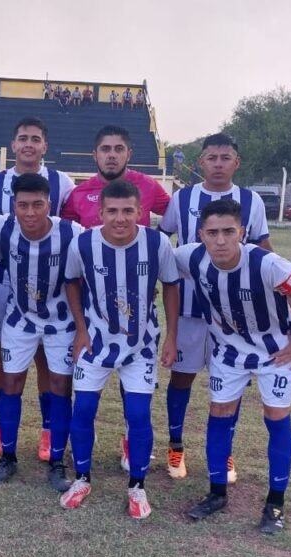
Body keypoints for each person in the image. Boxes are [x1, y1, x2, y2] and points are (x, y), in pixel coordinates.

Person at [178, 199, 291, 533]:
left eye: (229, 231)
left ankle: (275, 503)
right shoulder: (190, 257)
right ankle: (216, 493)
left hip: (276, 353)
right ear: (201, 234)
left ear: (242, 232)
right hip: (228, 352)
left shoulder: (269, 265)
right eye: (213, 232)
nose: (221, 240)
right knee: (219, 413)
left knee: (276, 417)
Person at [59, 180, 180, 519]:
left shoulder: (156, 243)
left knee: (138, 415)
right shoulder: (83, 243)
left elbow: (171, 286)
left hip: (140, 345)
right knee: (83, 410)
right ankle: (82, 479)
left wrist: (172, 336)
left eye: (128, 211)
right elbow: (71, 282)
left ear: (140, 212)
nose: (120, 218)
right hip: (95, 343)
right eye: (112, 211)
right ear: (100, 213)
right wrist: (81, 329)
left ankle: (137, 486)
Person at [158, 133, 272, 482]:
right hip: (189, 308)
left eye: (225, 158)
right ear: (201, 162)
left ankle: (224, 452)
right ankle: (176, 446)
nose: (218, 164)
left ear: (237, 162)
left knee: (232, 382)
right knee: (182, 376)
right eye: (212, 158)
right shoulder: (182, 198)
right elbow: (163, 241)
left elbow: (263, 250)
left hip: (235, 313)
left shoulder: (251, 201)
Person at [0, 117, 76, 463]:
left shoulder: (63, 183)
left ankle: (50, 430)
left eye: (35, 139)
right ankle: (2, 428)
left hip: (52, 282)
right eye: (23, 138)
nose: (29, 144)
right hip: (10, 282)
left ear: (44, 145)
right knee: (7, 360)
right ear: (13, 144)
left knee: (49, 363)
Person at [61, 125, 170, 229]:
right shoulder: (78, 193)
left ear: (129, 155)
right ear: (95, 155)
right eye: (105, 149)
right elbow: (66, 232)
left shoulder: (148, 185)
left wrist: (159, 235)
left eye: (119, 149)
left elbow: (176, 215)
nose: (112, 155)